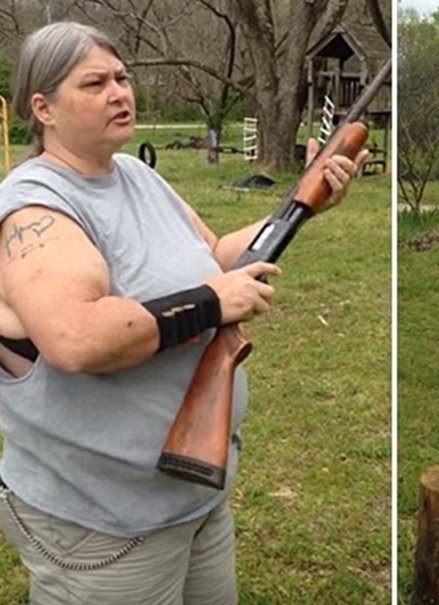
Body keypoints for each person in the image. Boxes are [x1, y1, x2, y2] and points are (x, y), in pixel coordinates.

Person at [0, 22, 367, 603]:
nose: (119, 93)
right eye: (95, 83)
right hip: (104, 523)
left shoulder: (138, 176)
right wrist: (211, 303)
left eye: (122, 78)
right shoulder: (34, 209)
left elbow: (218, 255)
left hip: (191, 496)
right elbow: (75, 337)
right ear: (42, 107)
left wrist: (305, 201)